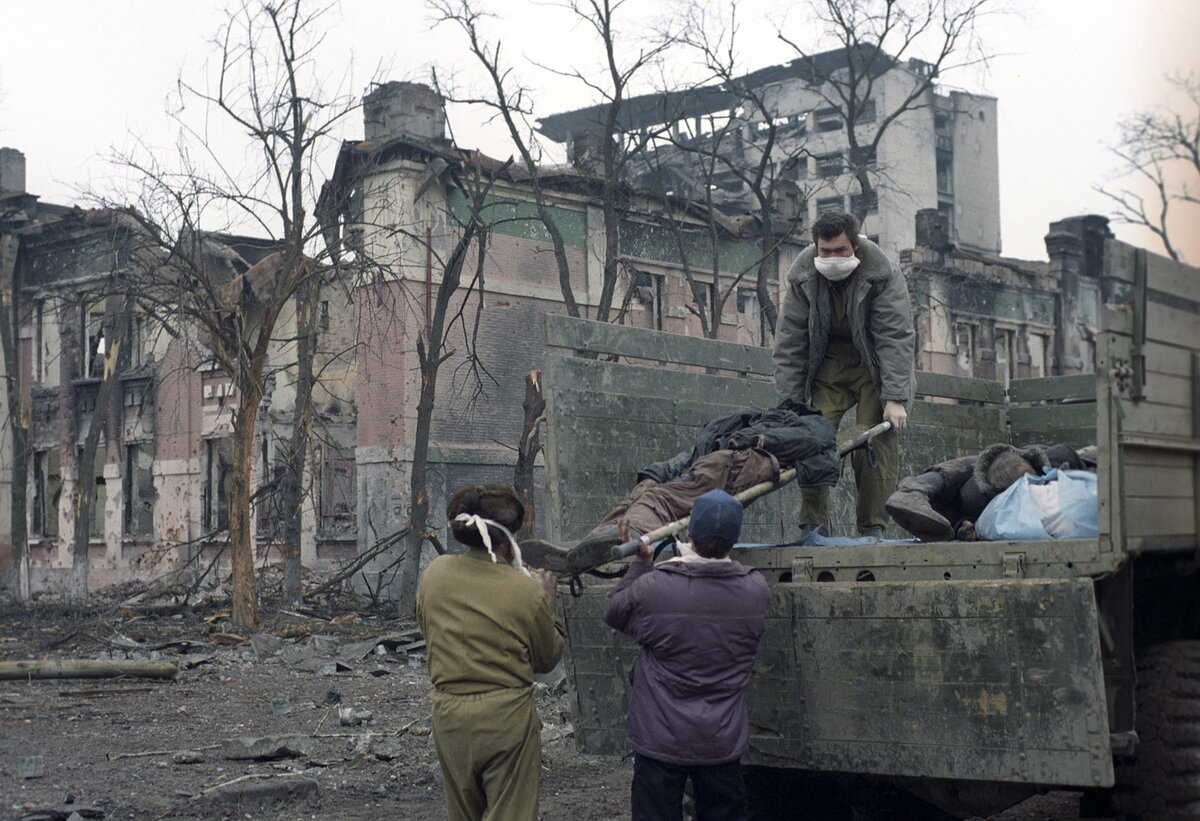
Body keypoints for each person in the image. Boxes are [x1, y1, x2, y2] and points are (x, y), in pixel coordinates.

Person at [603, 489, 770, 821]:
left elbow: (615, 613)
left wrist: (641, 566)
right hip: (720, 740)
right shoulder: (755, 590)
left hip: (659, 737)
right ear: (736, 538)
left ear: (689, 533)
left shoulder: (657, 587)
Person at [416, 483, 564, 821]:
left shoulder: (433, 575)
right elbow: (546, 658)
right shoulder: (526, 591)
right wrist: (547, 604)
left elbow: (429, 632)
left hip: (448, 717)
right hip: (506, 719)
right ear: (504, 540)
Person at [772, 210, 916, 539]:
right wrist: (791, 405)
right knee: (811, 438)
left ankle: (872, 529)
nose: (832, 257)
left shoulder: (882, 274)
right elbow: (790, 343)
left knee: (874, 439)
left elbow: (894, 337)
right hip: (828, 368)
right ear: (815, 248)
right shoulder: (802, 277)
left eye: (840, 250)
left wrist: (895, 397)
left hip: (873, 365)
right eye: (825, 251)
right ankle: (813, 526)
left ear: (855, 245)